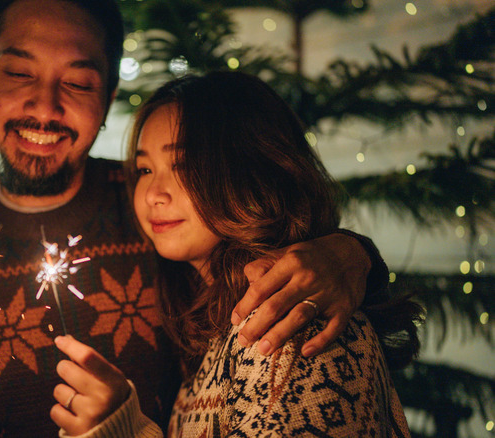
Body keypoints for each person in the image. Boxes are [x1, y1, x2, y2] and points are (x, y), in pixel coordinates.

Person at [0, 1, 391, 437]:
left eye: (78, 82)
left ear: (109, 92)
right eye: (18, 74)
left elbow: (249, 227)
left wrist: (349, 254)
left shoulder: (152, 210)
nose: (44, 106)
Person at [50, 71, 423, 437]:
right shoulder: (215, 330)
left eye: (184, 166)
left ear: (251, 169)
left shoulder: (288, 327)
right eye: (145, 168)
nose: (153, 194)